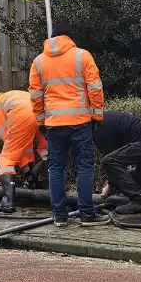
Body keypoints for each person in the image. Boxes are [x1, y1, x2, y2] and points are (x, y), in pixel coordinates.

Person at [29, 20, 106, 227]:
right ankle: (87, 214)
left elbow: (35, 96)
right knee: (84, 167)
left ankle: (60, 216)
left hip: (54, 124)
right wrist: (97, 116)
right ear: (70, 38)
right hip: (81, 122)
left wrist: (41, 122)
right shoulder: (82, 56)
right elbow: (95, 89)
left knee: (55, 168)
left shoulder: (38, 62)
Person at [0, 90, 47, 213]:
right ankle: (51, 192)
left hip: (24, 115)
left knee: (6, 160)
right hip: (41, 112)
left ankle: (8, 202)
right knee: (47, 151)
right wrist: (27, 170)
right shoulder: (2, 100)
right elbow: (23, 145)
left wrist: (23, 165)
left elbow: (13, 147)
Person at [95, 111, 141, 215]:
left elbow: (112, 162)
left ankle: (138, 202)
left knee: (109, 161)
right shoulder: (105, 118)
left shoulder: (99, 129)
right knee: (134, 183)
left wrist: (109, 186)